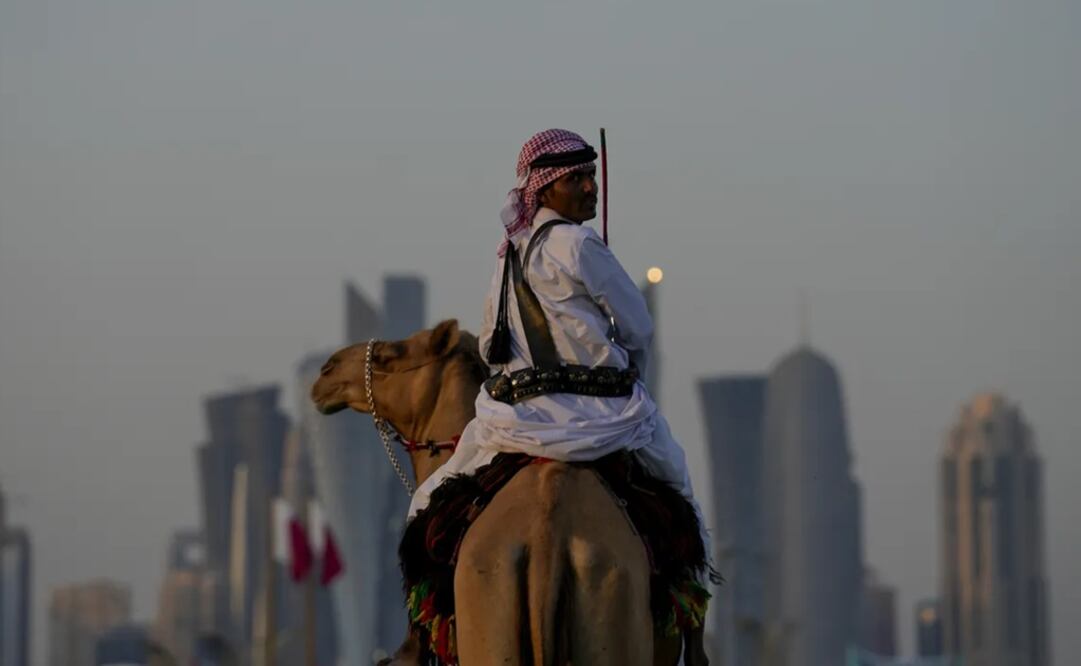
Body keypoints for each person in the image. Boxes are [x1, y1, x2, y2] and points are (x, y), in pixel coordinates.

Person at [409, 128, 708, 556]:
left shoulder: (507, 255)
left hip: (516, 420)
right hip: (604, 415)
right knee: (679, 497)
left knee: (429, 505)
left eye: (592, 175)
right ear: (544, 190)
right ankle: (687, 601)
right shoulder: (581, 242)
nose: (591, 187)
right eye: (576, 178)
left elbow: (490, 344)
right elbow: (639, 327)